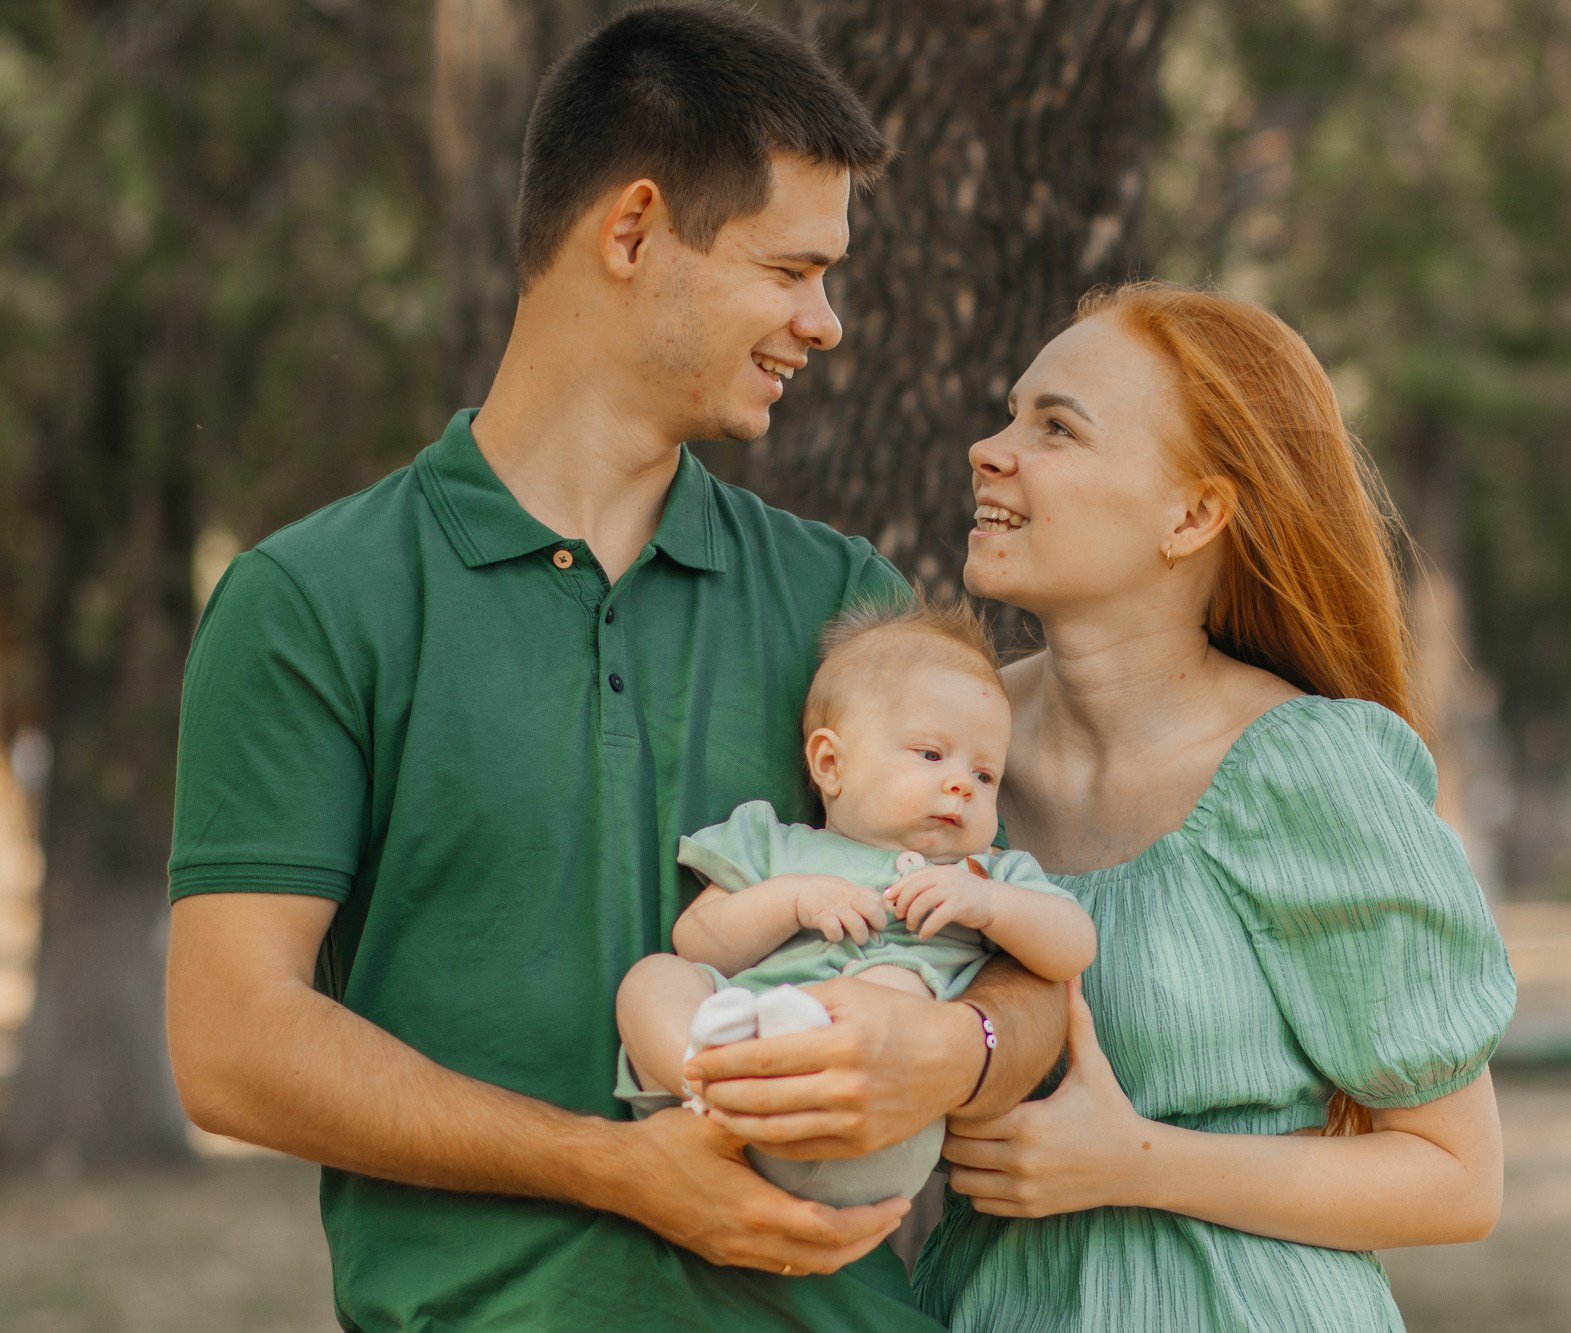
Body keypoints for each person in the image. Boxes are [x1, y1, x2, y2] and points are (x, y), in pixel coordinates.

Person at [162, 6, 1064, 1330]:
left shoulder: (844, 602)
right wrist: (615, 1169)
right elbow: (232, 1044)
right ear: (633, 231)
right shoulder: (311, 602)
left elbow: (1028, 971)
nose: (826, 324)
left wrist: (951, 1047)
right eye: (792, 269)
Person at [913, 281, 1518, 1332]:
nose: (989, 449)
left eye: (1056, 427)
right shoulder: (946, 753)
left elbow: (1457, 1178)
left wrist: (1132, 1162)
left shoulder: (1305, 772)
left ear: (1191, 515)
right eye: (1010, 415)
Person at [617, 599, 1096, 1207]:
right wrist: (789, 899)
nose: (961, 784)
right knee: (654, 977)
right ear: (830, 764)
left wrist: (988, 904)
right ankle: (706, 1070)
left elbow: (1074, 946)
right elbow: (697, 941)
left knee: (894, 984)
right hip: (715, 1106)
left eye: (985, 775)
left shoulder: (986, 873)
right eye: (931, 755)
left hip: (866, 1122)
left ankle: (797, 1055)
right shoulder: (775, 845)